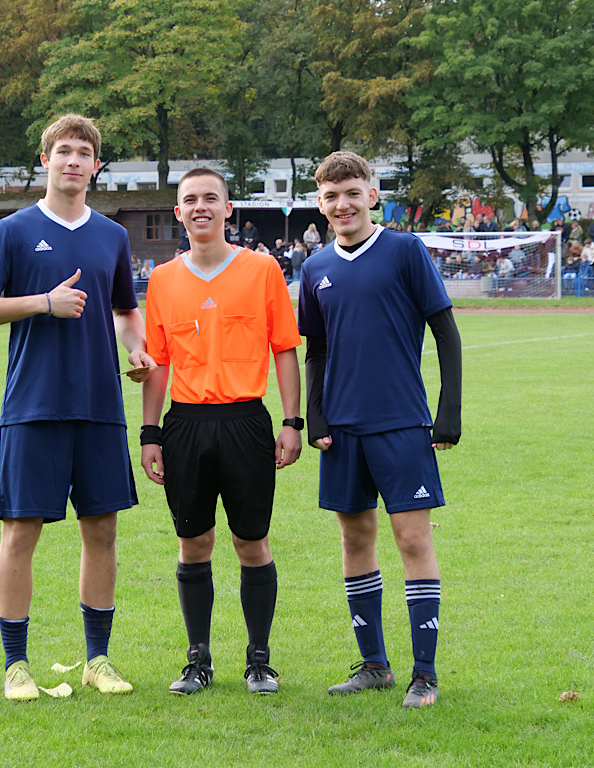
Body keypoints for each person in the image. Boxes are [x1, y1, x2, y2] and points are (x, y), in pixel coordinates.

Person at [0, 113, 154, 703]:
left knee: (103, 531)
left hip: (98, 407)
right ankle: (16, 666)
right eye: (64, 150)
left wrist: (137, 347)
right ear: (45, 160)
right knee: (21, 533)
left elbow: (124, 310)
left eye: (84, 153)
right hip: (33, 406)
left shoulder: (112, 235)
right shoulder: (13, 230)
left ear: (96, 165)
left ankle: (98, 660)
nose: (73, 160)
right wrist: (43, 302)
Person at [298, 151, 462, 710]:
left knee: (413, 540)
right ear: (320, 205)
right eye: (330, 196)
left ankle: (425, 674)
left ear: (372, 195)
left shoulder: (405, 250)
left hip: (401, 423)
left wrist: (449, 411)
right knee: (355, 539)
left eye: (352, 193)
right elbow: (316, 350)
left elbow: (446, 332)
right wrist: (316, 414)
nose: (342, 204)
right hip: (342, 429)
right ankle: (374, 665)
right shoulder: (315, 268)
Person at [140, 167, 302, 696]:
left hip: (245, 422)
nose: (201, 207)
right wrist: (149, 433)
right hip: (185, 425)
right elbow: (158, 363)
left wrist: (292, 421)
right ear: (179, 212)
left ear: (228, 209)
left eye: (211, 197)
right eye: (190, 199)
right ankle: (198, 660)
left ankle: (259, 660)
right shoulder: (163, 280)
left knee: (251, 542)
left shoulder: (262, 270)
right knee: (193, 543)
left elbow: (284, 348)